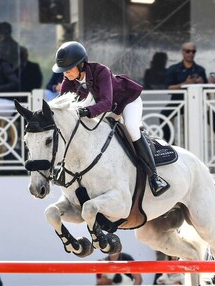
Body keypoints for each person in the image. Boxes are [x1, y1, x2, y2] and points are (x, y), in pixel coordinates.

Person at [54, 41, 170, 196]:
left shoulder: (100, 71)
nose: (65, 73)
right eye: (63, 70)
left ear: (81, 64)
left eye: (69, 68)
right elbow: (64, 105)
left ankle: (154, 177)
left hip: (126, 101)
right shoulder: (68, 82)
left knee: (132, 129)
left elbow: (107, 103)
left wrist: (86, 111)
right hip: (103, 110)